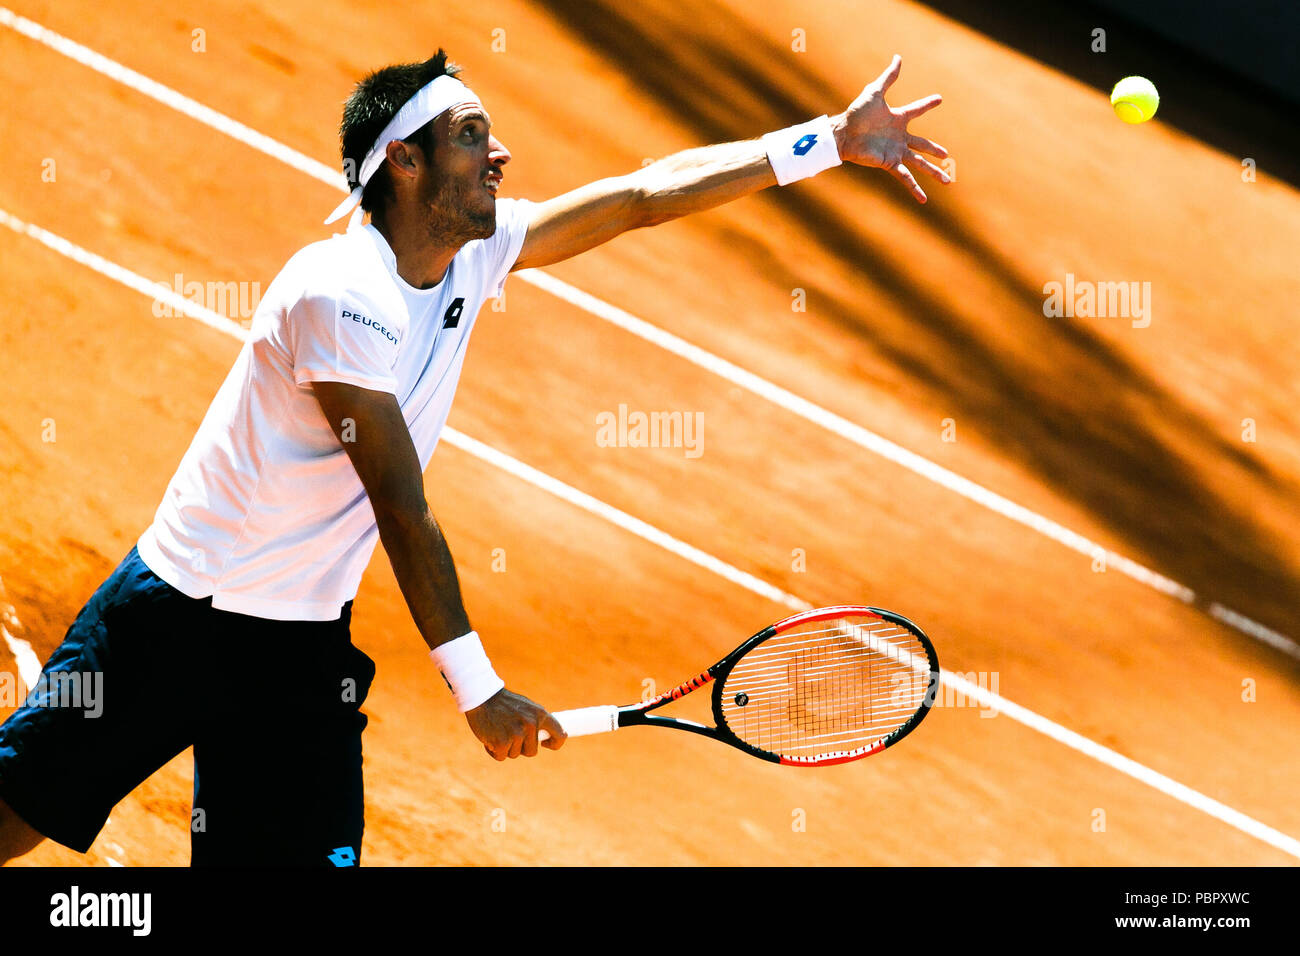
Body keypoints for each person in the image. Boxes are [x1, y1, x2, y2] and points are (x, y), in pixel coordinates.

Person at [0, 49, 947, 866]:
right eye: (470, 135)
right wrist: (479, 689)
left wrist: (828, 139)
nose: (500, 153)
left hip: (300, 649)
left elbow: (641, 197)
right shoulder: (339, 293)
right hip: (181, 614)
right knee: (19, 810)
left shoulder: (471, 257)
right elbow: (400, 506)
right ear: (404, 162)